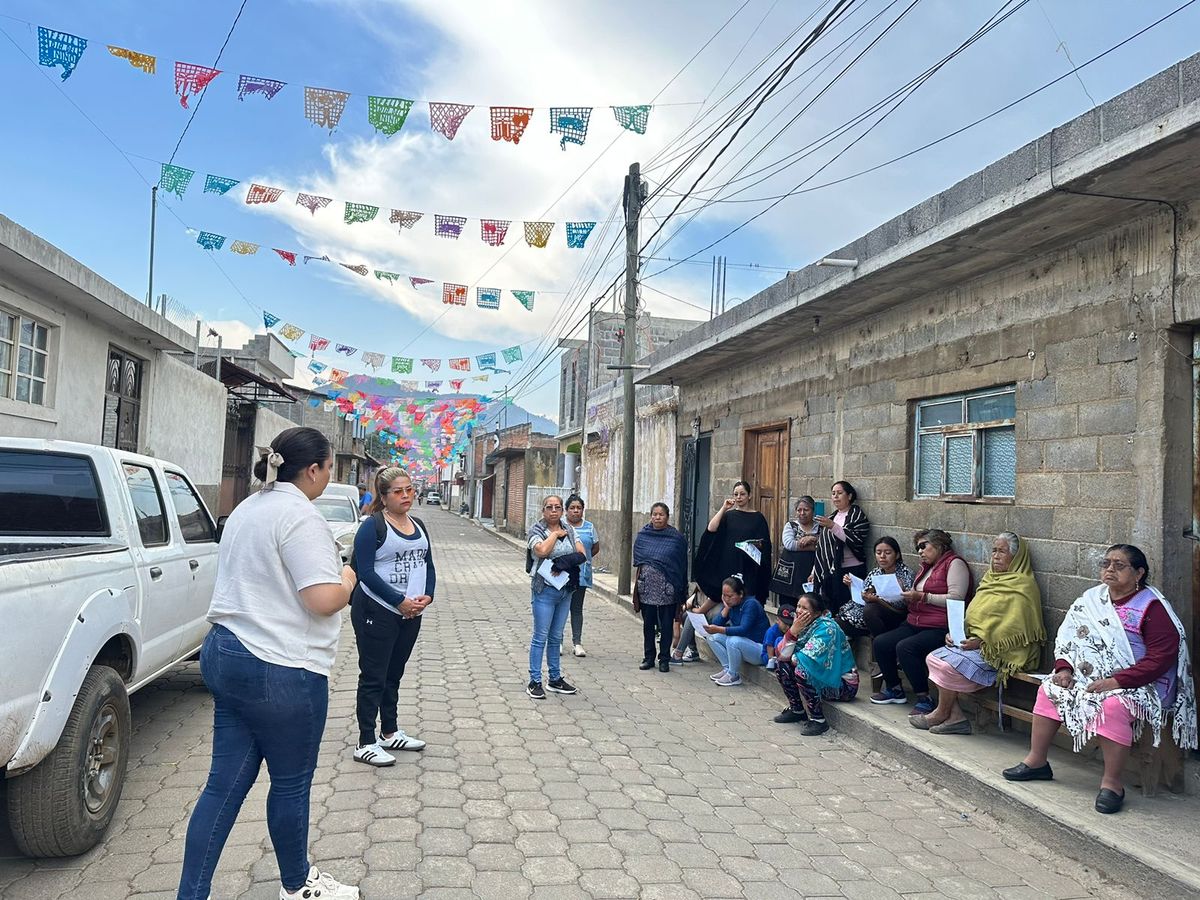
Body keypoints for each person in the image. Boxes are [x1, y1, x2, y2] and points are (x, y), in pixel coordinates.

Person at [177, 427, 360, 900]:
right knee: (291, 784)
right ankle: (297, 885)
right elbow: (321, 599)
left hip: (227, 651)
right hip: (280, 667)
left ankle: (191, 894)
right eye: (328, 468)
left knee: (223, 785)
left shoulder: (248, 508)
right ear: (314, 469)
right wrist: (347, 577)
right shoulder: (300, 516)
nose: (328, 477)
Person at [1002, 545, 1197, 814]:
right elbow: (1069, 638)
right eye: (1106, 564)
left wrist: (1117, 682)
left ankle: (1112, 784)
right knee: (1050, 689)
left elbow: (1161, 657)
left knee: (1112, 706)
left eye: (1119, 565)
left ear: (1139, 572)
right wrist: (1064, 670)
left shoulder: (1151, 607)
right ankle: (1037, 762)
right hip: (1088, 677)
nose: (1110, 570)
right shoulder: (1091, 600)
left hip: (1141, 683)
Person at [913, 532, 1044, 735]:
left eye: (1002, 551)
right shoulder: (989, 580)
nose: (996, 556)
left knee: (947, 666)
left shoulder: (1024, 586)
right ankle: (955, 716)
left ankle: (941, 713)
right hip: (972, 644)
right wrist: (956, 634)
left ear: (1016, 557)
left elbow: (1018, 629)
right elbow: (973, 616)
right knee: (932, 657)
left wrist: (983, 643)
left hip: (1002, 652)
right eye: (994, 551)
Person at [350, 466, 433, 766]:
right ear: (383, 497)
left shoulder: (419, 525)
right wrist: (398, 601)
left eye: (409, 489)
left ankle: (390, 731)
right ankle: (365, 741)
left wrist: (427, 596)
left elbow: (429, 566)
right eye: (398, 491)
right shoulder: (372, 527)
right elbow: (365, 573)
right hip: (377, 610)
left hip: (410, 613)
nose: (406, 495)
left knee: (393, 674)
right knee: (373, 676)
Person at [871, 529, 973, 714]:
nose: (920, 551)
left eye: (924, 546)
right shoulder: (927, 567)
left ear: (940, 545)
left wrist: (923, 597)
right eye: (918, 547)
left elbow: (956, 598)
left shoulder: (954, 564)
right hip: (915, 621)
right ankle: (894, 689)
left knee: (906, 647)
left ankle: (924, 698)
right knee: (881, 643)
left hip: (939, 626)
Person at [682, 482, 772, 659]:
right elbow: (711, 529)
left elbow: (765, 545)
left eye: (742, 494)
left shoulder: (758, 518)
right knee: (696, 613)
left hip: (747, 566)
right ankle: (686, 651)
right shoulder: (729, 516)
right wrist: (723, 508)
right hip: (727, 563)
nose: (739, 498)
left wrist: (754, 545)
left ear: (750, 495)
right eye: (736, 494)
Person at [772, 591, 860, 735]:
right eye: (798, 606)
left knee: (801, 670)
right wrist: (792, 631)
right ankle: (797, 710)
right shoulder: (800, 625)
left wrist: (792, 651)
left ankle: (818, 720)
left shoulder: (827, 628)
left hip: (843, 685)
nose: (799, 611)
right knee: (782, 665)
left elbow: (803, 659)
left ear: (817, 613)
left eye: (805, 608)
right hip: (821, 677)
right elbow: (781, 655)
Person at [526, 495, 586, 700]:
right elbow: (541, 550)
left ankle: (554, 678)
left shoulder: (571, 530)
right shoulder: (536, 530)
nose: (554, 510)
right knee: (540, 636)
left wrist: (562, 561)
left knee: (556, 636)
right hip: (544, 590)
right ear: (543, 510)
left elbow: (581, 553)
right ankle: (534, 680)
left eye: (557, 507)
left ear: (562, 510)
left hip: (565, 590)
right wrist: (555, 535)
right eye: (549, 507)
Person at [632, 502, 689, 672]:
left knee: (666, 625)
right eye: (654, 514)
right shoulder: (643, 535)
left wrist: (680, 588)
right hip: (647, 587)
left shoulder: (676, 538)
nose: (657, 517)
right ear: (651, 516)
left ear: (667, 516)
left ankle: (664, 658)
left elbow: (681, 564)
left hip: (667, 589)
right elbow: (639, 558)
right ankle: (648, 657)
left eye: (661, 514)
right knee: (648, 624)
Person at [836, 536, 915, 640]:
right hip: (871, 612)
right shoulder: (876, 572)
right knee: (837, 622)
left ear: (897, 555)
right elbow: (862, 597)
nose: (882, 556)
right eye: (878, 553)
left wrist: (878, 600)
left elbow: (903, 607)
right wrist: (852, 586)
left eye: (887, 553)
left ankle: (881, 640)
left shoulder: (906, 574)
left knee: (870, 610)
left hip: (896, 614)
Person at [812, 481, 870, 614]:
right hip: (831, 571)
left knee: (848, 607)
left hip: (851, 570)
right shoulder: (832, 516)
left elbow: (855, 539)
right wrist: (814, 571)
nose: (835, 497)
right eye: (833, 494)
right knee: (831, 606)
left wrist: (832, 526)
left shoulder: (857, 515)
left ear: (849, 496)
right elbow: (822, 547)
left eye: (839, 493)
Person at [703, 575, 769, 687]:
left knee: (733, 641)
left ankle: (734, 675)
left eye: (730, 596)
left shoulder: (750, 604)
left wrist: (719, 629)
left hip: (759, 649)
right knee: (711, 636)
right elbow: (716, 623)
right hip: (744, 644)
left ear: (741, 594)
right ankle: (728, 669)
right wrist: (726, 609)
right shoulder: (732, 605)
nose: (726, 599)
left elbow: (743, 629)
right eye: (724, 595)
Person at [564, 494, 599, 658]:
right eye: (572, 508)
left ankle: (577, 643)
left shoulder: (590, 527)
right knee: (560, 608)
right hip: (561, 575)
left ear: (583, 510)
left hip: (581, 576)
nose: (576, 511)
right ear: (566, 510)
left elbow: (594, 548)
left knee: (576, 609)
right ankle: (557, 642)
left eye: (579, 508)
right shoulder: (560, 526)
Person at [770, 497, 819, 607]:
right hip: (789, 575)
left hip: (809, 572)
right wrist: (814, 546)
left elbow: (825, 545)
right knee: (787, 607)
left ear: (812, 510)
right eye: (799, 510)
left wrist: (813, 538)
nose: (802, 513)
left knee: (808, 604)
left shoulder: (819, 527)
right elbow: (789, 544)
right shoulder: (791, 526)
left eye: (806, 510)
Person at [763, 604, 795, 671]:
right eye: (785, 624)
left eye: (790, 624)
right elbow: (769, 648)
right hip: (770, 656)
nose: (788, 627)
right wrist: (771, 660)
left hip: (784, 655)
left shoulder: (791, 630)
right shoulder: (772, 631)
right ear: (777, 620)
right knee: (779, 640)